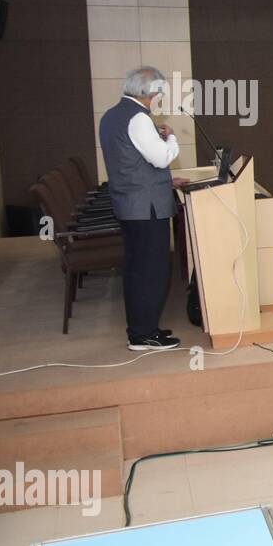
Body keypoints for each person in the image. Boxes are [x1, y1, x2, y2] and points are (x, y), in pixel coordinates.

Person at [99, 65, 184, 351]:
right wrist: (171, 138)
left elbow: (130, 162)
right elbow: (160, 159)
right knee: (152, 271)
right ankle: (143, 334)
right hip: (146, 209)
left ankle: (141, 329)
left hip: (128, 205)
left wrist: (166, 182)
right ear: (152, 92)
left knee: (138, 270)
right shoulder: (139, 118)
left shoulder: (111, 116)